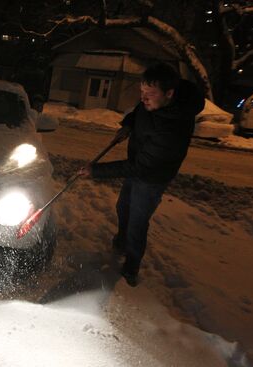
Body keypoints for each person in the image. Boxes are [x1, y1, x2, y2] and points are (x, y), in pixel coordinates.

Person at [80, 62, 205, 287]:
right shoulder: (154, 102)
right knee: (122, 207)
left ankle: (131, 266)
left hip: (152, 177)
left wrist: (96, 170)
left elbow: (140, 167)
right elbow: (140, 110)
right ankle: (120, 242)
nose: (144, 98)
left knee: (137, 221)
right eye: (142, 92)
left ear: (169, 94)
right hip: (139, 164)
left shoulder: (172, 129)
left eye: (150, 94)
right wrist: (128, 125)